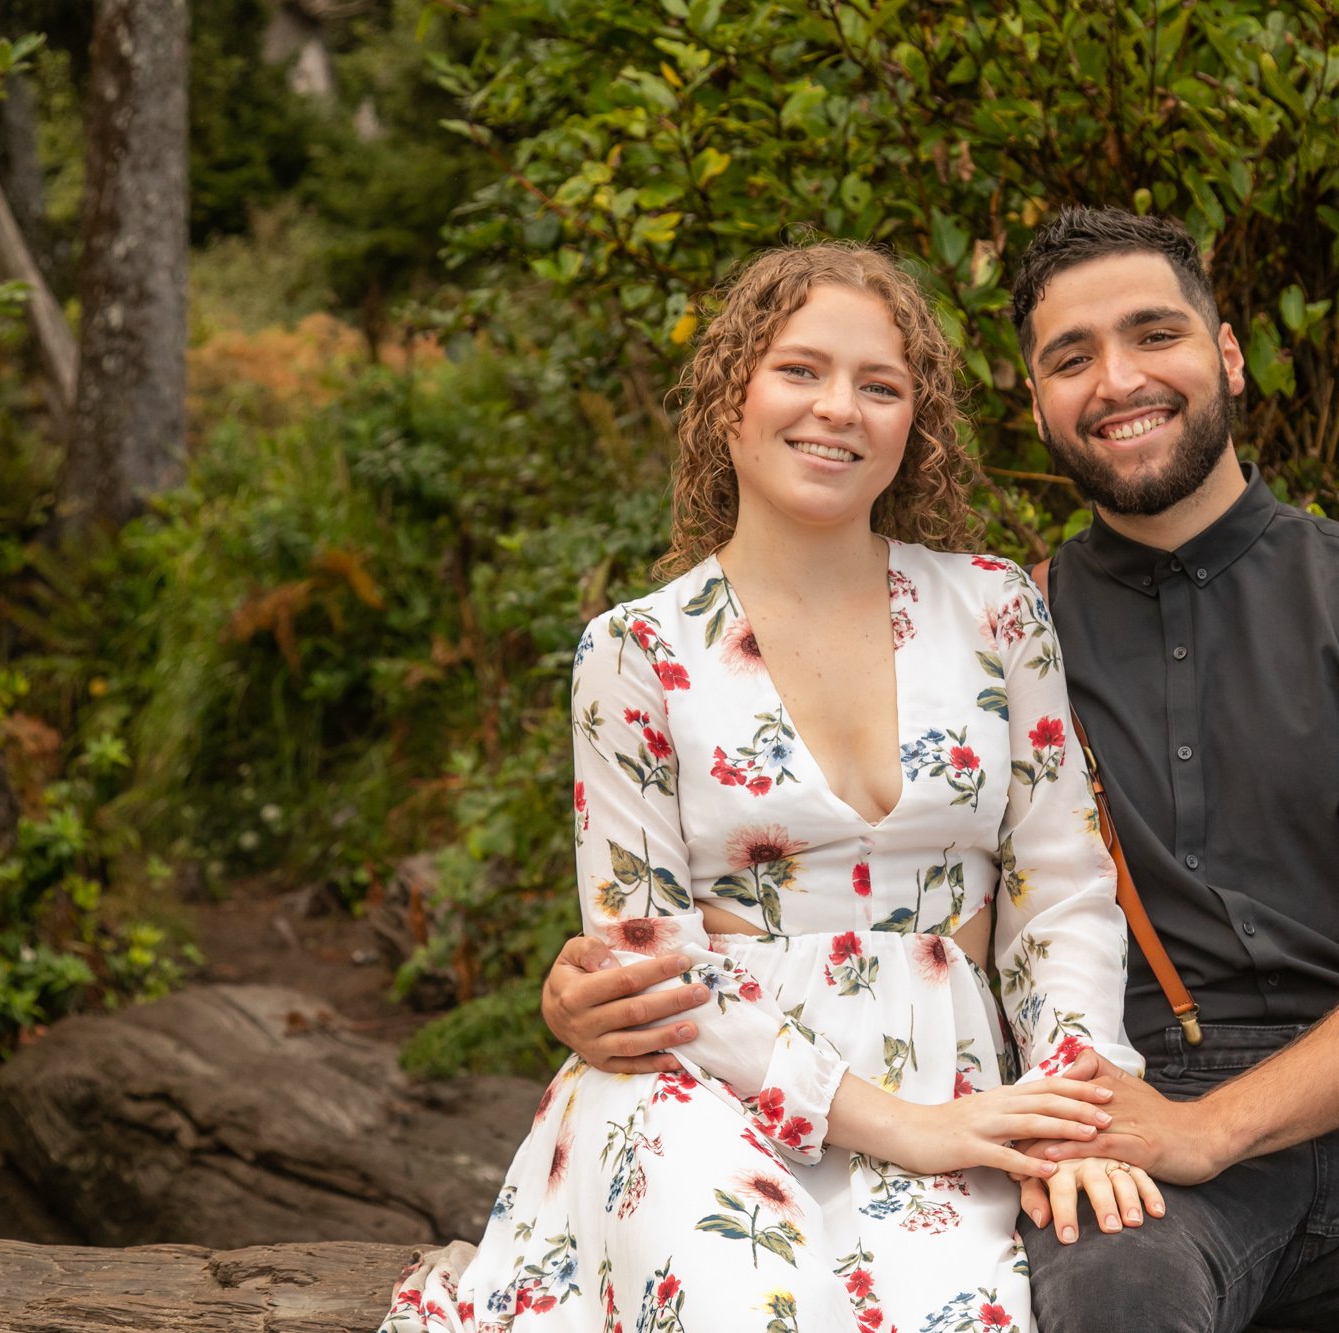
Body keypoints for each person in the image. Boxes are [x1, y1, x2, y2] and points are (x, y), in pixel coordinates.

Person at [539, 210, 1339, 1332]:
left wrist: (1209, 1131)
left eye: (1155, 335)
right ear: (1033, 402)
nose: (1119, 379)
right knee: (1118, 1300)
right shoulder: (1008, 621)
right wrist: (594, 993)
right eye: (1070, 357)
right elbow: (947, 892)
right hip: (1125, 1103)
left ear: (1229, 353)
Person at [382, 242, 1164, 1333]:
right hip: (704, 1090)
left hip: (960, 1088)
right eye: (799, 370)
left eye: (879, 386)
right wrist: (897, 1125)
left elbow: (1062, 890)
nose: (837, 409)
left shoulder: (992, 610)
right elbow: (646, 974)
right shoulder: (636, 652)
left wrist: (1078, 1101)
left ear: (914, 424)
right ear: (728, 399)